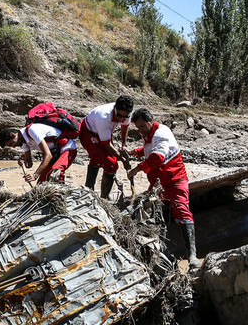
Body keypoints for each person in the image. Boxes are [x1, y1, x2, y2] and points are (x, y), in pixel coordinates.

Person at [126, 108, 202, 269]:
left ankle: (192, 256)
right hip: (159, 182)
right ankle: (158, 254)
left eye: (142, 126)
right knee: (151, 212)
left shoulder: (161, 133)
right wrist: (135, 152)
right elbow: (149, 151)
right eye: (138, 127)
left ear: (151, 120)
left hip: (175, 178)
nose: (140, 130)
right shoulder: (148, 134)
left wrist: (136, 170)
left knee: (181, 210)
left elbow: (156, 158)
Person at [79, 95, 134, 199]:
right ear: (115, 108)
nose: (122, 119)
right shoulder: (104, 116)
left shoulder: (126, 114)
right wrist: (122, 158)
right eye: (119, 116)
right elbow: (106, 144)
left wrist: (124, 145)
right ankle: (88, 192)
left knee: (112, 165)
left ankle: (104, 197)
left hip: (105, 133)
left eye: (125, 117)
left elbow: (125, 126)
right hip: (89, 132)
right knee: (97, 157)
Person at [0, 124, 77, 184]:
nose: (13, 146)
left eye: (11, 144)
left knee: (55, 173)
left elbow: (48, 156)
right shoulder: (24, 143)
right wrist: (23, 163)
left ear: (13, 135)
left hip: (67, 148)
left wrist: (35, 175)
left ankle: (61, 197)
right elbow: (29, 164)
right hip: (55, 153)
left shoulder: (32, 130)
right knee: (41, 184)